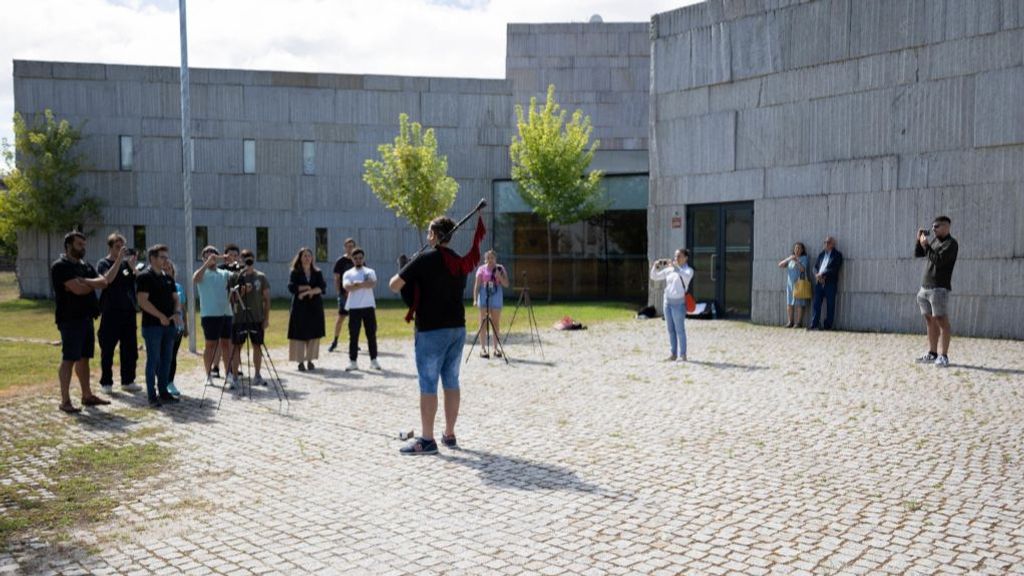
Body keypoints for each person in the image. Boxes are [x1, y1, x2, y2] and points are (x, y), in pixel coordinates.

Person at [389, 216, 478, 455]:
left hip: (431, 331)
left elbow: (394, 285)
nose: (427, 236)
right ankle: (449, 434)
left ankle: (426, 440)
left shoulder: (423, 259)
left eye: (429, 232)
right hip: (457, 328)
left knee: (428, 384)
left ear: (434, 235)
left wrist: (407, 266)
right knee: (451, 381)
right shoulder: (459, 262)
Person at [51, 231, 122, 413]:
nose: (83, 248)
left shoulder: (85, 266)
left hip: (86, 318)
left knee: (84, 358)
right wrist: (90, 284)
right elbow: (78, 290)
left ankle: (87, 395)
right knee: (69, 358)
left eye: (84, 244)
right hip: (70, 319)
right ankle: (65, 401)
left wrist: (85, 281)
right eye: (79, 245)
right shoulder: (60, 266)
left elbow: (104, 282)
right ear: (68, 246)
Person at [137, 244, 181, 408]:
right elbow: (142, 301)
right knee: (153, 360)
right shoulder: (144, 277)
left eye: (166, 257)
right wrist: (161, 316)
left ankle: (164, 391)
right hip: (152, 326)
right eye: (162, 257)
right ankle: (151, 395)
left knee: (166, 360)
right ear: (152, 258)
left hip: (169, 326)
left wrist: (176, 312)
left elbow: (175, 297)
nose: (165, 260)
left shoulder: (168, 277)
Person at [96, 232, 140, 393]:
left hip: (128, 311)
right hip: (111, 312)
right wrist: (119, 260)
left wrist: (133, 267)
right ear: (110, 247)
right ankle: (106, 382)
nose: (121, 249)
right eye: (117, 247)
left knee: (130, 349)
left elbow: (137, 282)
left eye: (123, 247)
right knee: (107, 348)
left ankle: (128, 380)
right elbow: (107, 280)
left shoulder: (126, 265)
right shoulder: (103, 263)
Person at [915, 216, 959, 367]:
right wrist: (919, 241)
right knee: (929, 320)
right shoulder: (934, 241)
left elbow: (939, 260)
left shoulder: (951, 244)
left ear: (946, 227)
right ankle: (932, 353)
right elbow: (919, 254)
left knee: (941, 321)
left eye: (937, 226)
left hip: (939, 288)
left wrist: (926, 246)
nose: (933, 229)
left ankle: (944, 355)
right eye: (932, 227)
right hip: (925, 287)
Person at [193, 246, 235, 387]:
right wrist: (206, 264)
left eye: (213, 255)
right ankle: (208, 375)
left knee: (226, 345)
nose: (211, 257)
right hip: (210, 314)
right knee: (210, 345)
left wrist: (232, 260)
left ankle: (228, 374)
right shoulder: (202, 273)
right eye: (207, 255)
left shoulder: (224, 273)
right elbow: (195, 279)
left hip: (226, 313)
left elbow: (237, 278)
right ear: (203, 258)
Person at [228, 249, 271, 385]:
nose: (247, 261)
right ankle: (234, 377)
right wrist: (242, 291)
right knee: (236, 347)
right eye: (244, 258)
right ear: (240, 260)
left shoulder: (261, 277)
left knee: (257, 346)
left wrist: (266, 318)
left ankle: (257, 375)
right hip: (239, 318)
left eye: (250, 259)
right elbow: (231, 298)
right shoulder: (235, 276)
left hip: (256, 318)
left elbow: (267, 299)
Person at [649, 248, 694, 362]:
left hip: (679, 304)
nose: (676, 258)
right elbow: (654, 277)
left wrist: (675, 267)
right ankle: (673, 354)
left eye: (679, 256)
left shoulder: (689, 271)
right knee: (671, 329)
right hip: (667, 302)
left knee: (680, 330)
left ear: (685, 258)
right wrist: (655, 266)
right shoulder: (670, 270)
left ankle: (683, 354)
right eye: (675, 256)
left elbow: (683, 274)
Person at [342, 248, 382, 371]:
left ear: (363, 258)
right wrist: (361, 284)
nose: (358, 260)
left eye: (360, 258)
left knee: (371, 334)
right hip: (354, 307)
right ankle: (353, 361)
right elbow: (347, 287)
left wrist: (357, 284)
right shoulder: (348, 273)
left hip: (368, 307)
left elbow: (372, 284)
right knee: (353, 335)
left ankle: (374, 360)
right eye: (356, 258)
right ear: (352, 259)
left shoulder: (370, 271)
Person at [287, 247, 326, 371]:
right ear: (300, 258)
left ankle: (310, 360)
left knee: (313, 333)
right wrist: (306, 287)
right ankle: (300, 362)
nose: (307, 258)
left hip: (315, 307)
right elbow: (292, 287)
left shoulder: (317, 272)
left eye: (309, 255)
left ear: (312, 258)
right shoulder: (295, 272)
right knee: (299, 334)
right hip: (299, 307)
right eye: (304, 255)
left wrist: (307, 292)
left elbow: (322, 287)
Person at [210, 243, 242, 378]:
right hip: (220, 308)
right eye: (230, 255)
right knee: (219, 340)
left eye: (236, 255)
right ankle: (215, 366)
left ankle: (234, 367)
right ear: (225, 257)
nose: (233, 258)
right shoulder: (220, 270)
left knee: (234, 340)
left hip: (236, 308)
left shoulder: (240, 270)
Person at [472, 250, 509, 359]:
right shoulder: (481, 269)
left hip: (496, 294)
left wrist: (499, 276)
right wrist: (475, 299)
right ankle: (483, 348)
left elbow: (506, 284)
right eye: (488, 258)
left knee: (496, 323)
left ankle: (496, 348)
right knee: (483, 322)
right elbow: (477, 285)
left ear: (495, 258)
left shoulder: (500, 268)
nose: (490, 260)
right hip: (484, 294)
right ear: (485, 259)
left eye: (492, 257)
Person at [328, 237, 357, 352]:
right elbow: (336, 278)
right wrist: (339, 292)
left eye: (352, 246)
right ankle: (335, 341)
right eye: (348, 246)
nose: (350, 248)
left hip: (355, 294)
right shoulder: (340, 261)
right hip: (344, 294)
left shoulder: (358, 260)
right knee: (341, 318)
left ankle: (354, 342)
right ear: (344, 247)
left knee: (354, 319)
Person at [809, 236, 843, 331]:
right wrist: (817, 275)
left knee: (830, 305)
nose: (825, 244)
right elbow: (815, 267)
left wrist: (822, 274)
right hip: (819, 283)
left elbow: (835, 269)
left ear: (833, 244)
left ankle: (828, 325)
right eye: (824, 242)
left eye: (828, 242)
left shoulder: (837, 255)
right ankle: (814, 324)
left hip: (830, 283)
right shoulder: (821, 255)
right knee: (816, 304)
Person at [165, 258, 187, 397]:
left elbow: (183, 308)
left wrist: (186, 326)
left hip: (177, 327)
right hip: (162, 326)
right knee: (162, 356)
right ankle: (161, 382)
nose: (167, 271)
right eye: (164, 269)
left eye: (169, 269)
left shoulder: (178, 287)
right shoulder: (156, 285)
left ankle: (170, 382)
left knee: (172, 356)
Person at [778, 242, 810, 328]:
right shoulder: (791, 258)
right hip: (790, 284)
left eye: (799, 248)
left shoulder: (804, 258)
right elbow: (780, 265)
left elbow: (803, 269)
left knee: (799, 303)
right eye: (796, 248)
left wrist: (796, 261)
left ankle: (798, 323)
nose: (797, 250)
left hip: (799, 284)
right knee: (789, 303)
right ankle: (790, 322)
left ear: (802, 250)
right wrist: (789, 258)